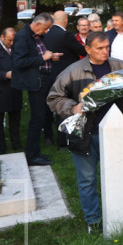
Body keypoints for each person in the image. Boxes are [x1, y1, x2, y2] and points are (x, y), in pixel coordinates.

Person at [47, 31, 123, 233]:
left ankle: (119, 217)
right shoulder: (72, 72)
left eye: (107, 48)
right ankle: (93, 221)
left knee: (117, 176)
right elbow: (54, 98)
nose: (105, 52)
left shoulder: (119, 67)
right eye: (100, 48)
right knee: (87, 180)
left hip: (115, 133)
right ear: (87, 49)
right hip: (85, 135)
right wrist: (73, 108)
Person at [12, 12, 59, 166]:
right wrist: (42, 59)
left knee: (42, 116)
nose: (46, 32)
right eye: (45, 28)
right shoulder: (23, 36)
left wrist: (50, 57)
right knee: (36, 118)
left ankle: (36, 152)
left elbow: (39, 54)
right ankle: (32, 156)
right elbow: (19, 62)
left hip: (43, 79)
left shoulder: (36, 36)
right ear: (38, 24)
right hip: (35, 82)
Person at [44, 10, 87, 148]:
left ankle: (50, 137)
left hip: (51, 73)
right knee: (66, 106)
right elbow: (82, 51)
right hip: (66, 75)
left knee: (54, 106)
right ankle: (64, 140)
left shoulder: (48, 34)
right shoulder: (65, 35)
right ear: (66, 20)